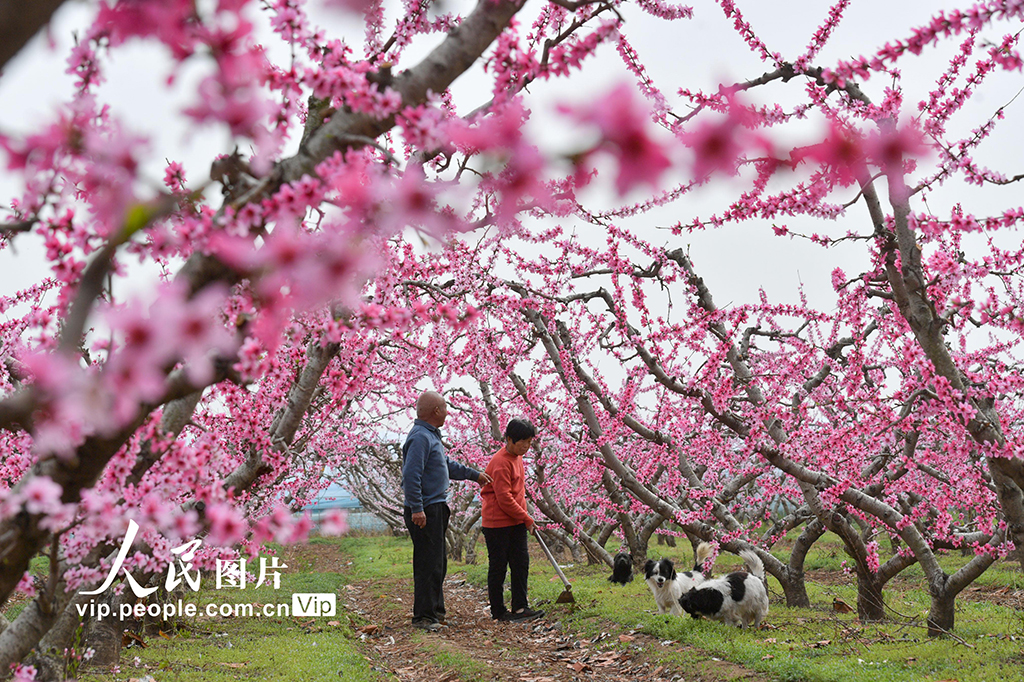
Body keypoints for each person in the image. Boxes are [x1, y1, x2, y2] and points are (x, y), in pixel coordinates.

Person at [402, 390, 491, 632]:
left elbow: (445, 465)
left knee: (437, 562)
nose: (448, 412)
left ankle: (435, 612)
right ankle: (423, 616)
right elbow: (411, 476)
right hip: (426, 510)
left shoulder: (431, 436)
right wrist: (417, 508)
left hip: (435, 506)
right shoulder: (420, 437)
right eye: (445, 408)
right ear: (436, 411)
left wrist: (474, 475)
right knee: (428, 564)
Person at [480, 418, 544, 622]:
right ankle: (498, 611)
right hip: (497, 523)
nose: (526, 447)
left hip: (515, 521)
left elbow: (518, 493)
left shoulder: (517, 458)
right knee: (499, 567)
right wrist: (527, 518)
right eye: (522, 442)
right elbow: (504, 499)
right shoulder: (500, 463)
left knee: (520, 563)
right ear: (509, 439)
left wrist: (523, 517)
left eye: (529, 442)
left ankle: (520, 607)